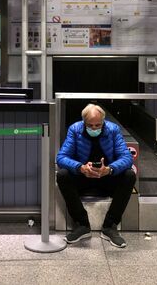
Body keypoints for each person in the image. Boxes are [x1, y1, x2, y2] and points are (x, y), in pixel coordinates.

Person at [56, 104, 136, 248]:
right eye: (90, 125)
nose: (94, 128)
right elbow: (61, 157)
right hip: (83, 176)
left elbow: (127, 157)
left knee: (129, 175)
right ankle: (82, 224)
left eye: (98, 125)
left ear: (103, 121)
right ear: (83, 122)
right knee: (62, 175)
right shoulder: (75, 129)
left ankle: (110, 226)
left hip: (106, 176)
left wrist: (110, 169)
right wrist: (80, 168)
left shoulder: (113, 130)